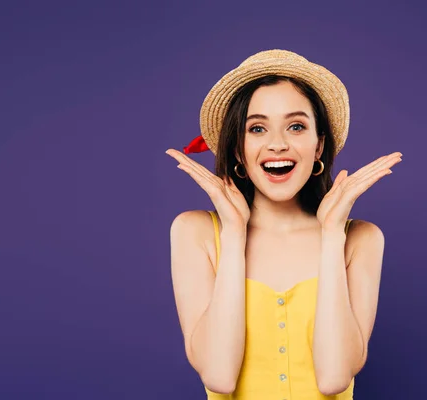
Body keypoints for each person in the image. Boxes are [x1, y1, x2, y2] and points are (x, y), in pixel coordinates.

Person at [166, 49, 402, 399]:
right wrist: (234, 234)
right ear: (237, 150)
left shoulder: (361, 239)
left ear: (319, 144)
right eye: (257, 128)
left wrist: (332, 234)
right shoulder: (196, 232)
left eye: (296, 126)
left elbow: (334, 378)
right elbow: (219, 376)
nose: (277, 144)